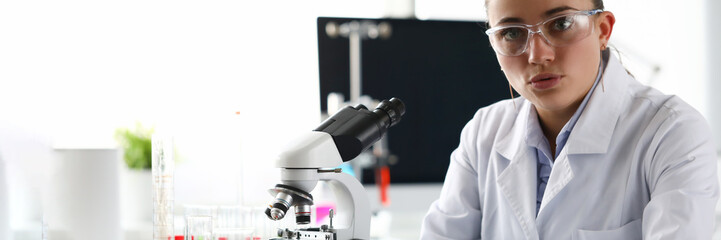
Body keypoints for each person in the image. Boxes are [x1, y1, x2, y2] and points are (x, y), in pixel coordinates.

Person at [420, 0, 720, 239]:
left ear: (602, 30)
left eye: (561, 24)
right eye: (511, 32)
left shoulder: (671, 131)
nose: (538, 55)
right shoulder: (483, 132)